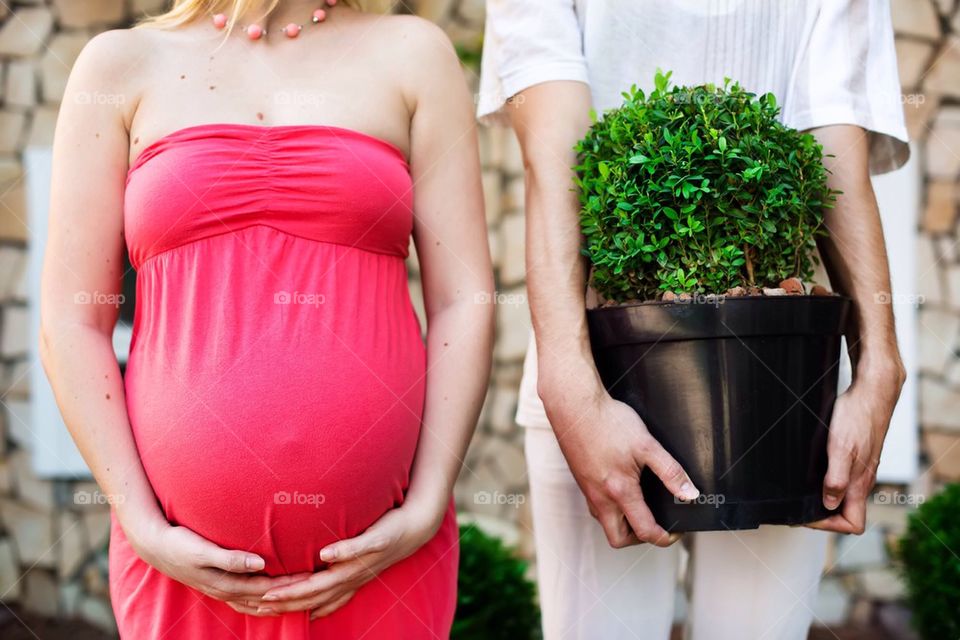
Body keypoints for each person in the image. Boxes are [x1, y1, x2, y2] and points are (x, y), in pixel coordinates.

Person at [39, 1, 494, 637]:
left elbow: (463, 303)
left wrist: (423, 506)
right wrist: (142, 525)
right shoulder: (119, 66)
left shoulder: (412, 54)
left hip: (383, 561)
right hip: (182, 570)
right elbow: (71, 321)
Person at [478, 1, 908, 638]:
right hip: (597, 353)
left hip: (781, 366)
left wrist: (879, 366)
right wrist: (568, 381)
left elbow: (833, 142)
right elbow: (555, 141)